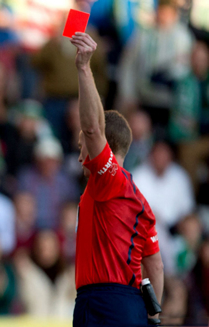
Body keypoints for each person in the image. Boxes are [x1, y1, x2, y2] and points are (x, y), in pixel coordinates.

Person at [71, 33, 164, 326]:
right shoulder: (140, 201)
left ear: (103, 149)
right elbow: (156, 267)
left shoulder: (107, 180)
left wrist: (84, 68)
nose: (79, 155)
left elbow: (92, 129)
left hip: (102, 304)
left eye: (81, 148)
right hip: (132, 307)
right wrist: (153, 316)